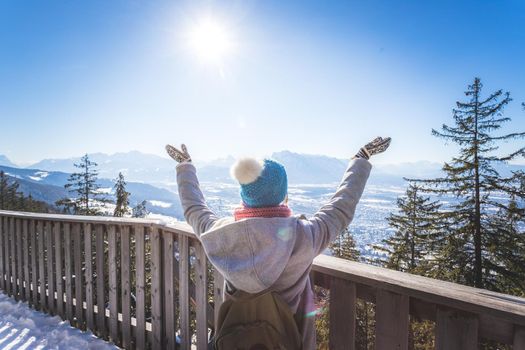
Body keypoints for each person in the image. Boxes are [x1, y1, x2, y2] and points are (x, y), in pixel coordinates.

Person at [166, 137, 391, 349]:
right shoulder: (304, 236)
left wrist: (186, 167)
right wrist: (360, 159)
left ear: (244, 196)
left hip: (236, 339)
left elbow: (195, 209)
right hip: (290, 341)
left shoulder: (221, 234)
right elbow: (340, 208)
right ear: (284, 196)